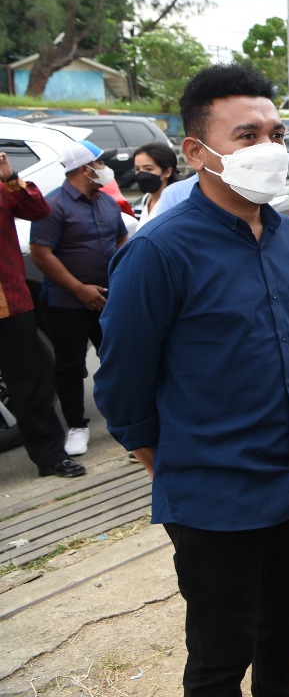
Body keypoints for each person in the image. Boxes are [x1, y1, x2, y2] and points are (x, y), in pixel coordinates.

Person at [94, 64, 289, 697]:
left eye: (277, 133)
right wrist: (175, 469)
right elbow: (121, 390)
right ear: (197, 152)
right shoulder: (159, 252)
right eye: (246, 135)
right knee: (221, 660)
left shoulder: (286, 238)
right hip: (216, 503)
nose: (269, 149)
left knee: (285, 644)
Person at [29, 139, 127, 458]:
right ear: (86, 168)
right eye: (100, 163)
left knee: (117, 358)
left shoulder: (106, 202)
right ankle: (76, 426)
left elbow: (121, 239)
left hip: (108, 297)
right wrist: (78, 288)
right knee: (70, 366)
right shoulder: (53, 205)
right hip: (67, 302)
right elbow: (41, 253)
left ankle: (126, 418)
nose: (104, 168)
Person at [0, 152, 85, 479]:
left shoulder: (4, 185)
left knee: (29, 386)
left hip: (11, 304)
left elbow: (37, 209)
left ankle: (51, 457)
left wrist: (9, 176)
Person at [132, 142, 180, 225]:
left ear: (167, 172)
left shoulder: (177, 204)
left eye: (148, 169)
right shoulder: (145, 200)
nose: (141, 174)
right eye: (137, 169)